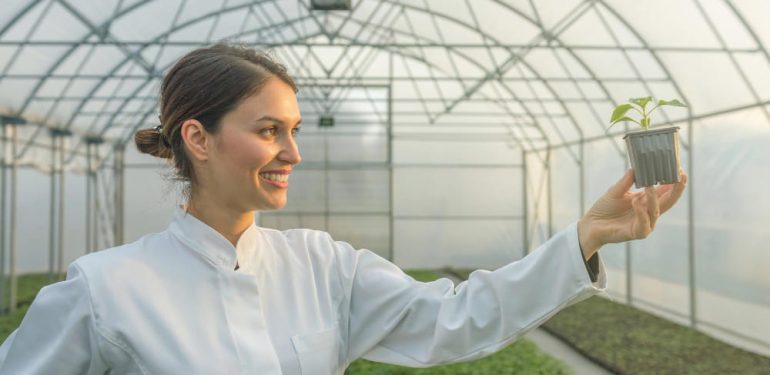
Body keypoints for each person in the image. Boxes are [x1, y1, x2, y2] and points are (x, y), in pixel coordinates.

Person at [0, 43, 687, 374]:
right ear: (197, 137)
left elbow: (456, 317)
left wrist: (586, 236)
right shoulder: (105, 289)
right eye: (269, 130)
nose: (293, 151)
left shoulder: (324, 266)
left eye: (295, 130)